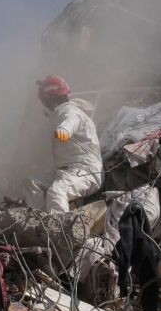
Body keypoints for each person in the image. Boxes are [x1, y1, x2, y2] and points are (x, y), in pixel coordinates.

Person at [26, 75, 103, 214]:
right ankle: (37, 221)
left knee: (57, 191)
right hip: (66, 171)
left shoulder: (69, 110)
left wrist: (64, 130)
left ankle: (59, 230)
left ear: (49, 98)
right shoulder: (58, 115)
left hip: (86, 171)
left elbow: (71, 121)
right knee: (33, 183)